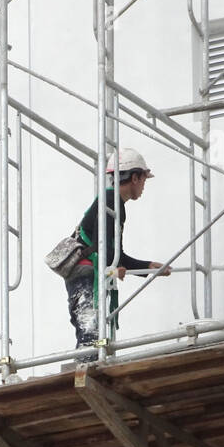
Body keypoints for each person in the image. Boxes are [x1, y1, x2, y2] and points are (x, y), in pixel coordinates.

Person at [65, 148, 171, 360]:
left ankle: (89, 364)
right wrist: (114, 266)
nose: (143, 186)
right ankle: (86, 369)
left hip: (85, 269)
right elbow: (100, 244)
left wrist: (148, 266)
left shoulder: (113, 202)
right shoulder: (111, 202)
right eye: (143, 180)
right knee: (90, 329)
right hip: (85, 269)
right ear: (134, 177)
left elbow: (114, 253)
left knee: (91, 329)